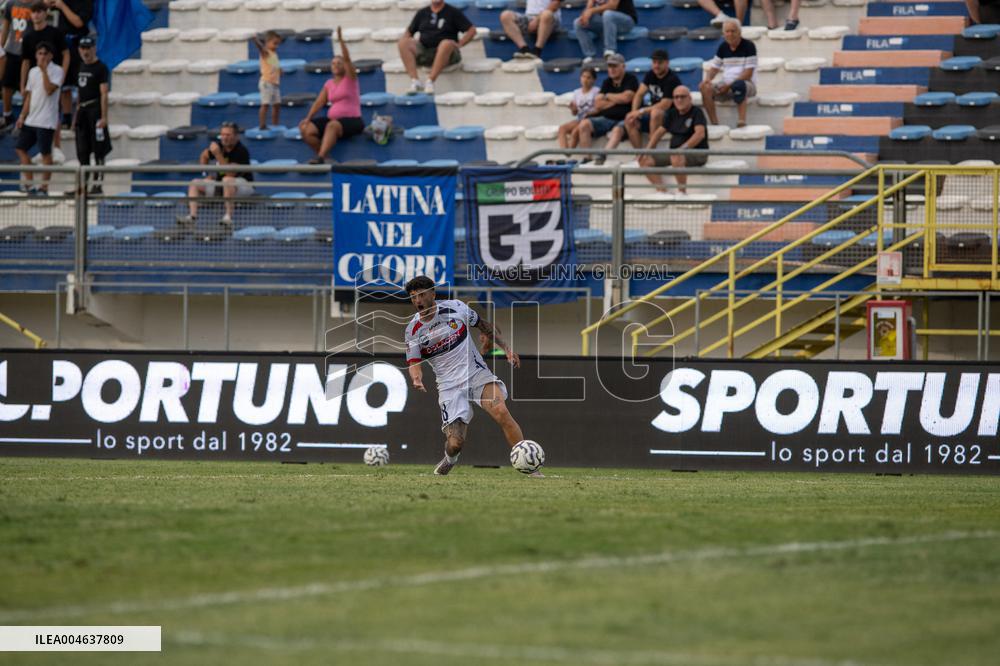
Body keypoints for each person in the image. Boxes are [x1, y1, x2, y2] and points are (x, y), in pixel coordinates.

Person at [403, 275, 533, 477]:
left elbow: (484, 326)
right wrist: (416, 378)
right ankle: (450, 459)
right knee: (455, 443)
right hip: (449, 387)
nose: (417, 301)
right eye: (413, 297)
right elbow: (414, 362)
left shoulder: (456, 308)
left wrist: (506, 348)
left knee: (501, 411)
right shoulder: (413, 330)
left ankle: (530, 466)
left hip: (476, 374)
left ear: (433, 294)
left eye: (421, 295)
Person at [299, 26, 361, 165]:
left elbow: (347, 59)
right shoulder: (329, 83)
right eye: (333, 63)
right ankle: (325, 157)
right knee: (305, 128)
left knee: (332, 126)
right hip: (333, 120)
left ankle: (320, 157)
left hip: (352, 120)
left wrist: (340, 40)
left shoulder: (350, 79)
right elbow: (319, 103)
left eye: (339, 63)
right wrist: (308, 118)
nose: (336, 65)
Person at [602, 48, 681, 154]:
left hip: (670, 116)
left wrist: (640, 111)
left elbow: (665, 104)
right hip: (653, 113)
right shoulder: (650, 75)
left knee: (656, 113)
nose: (656, 66)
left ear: (667, 63)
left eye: (660, 63)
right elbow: (639, 94)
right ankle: (639, 154)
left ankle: (651, 153)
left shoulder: (672, 79)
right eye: (654, 62)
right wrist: (634, 112)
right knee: (630, 121)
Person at [176, 121, 253, 227]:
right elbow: (204, 156)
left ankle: (228, 217)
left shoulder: (241, 151)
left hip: (242, 187)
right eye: (223, 135)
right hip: (221, 187)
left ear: (236, 136)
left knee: (227, 180)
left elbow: (230, 173)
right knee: (194, 183)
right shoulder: (220, 146)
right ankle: (192, 217)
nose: (224, 138)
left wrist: (217, 154)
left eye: (228, 135)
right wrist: (206, 173)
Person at [15, 41, 63, 195]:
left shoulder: (57, 71)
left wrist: (44, 71)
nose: (42, 56)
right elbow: (30, 96)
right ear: (36, 55)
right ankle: (29, 185)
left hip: (46, 121)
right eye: (39, 53)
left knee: (45, 154)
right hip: (32, 119)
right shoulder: (32, 72)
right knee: (20, 148)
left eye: (45, 53)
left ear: (51, 56)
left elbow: (49, 90)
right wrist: (22, 115)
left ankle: (44, 187)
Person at [640, 85, 708, 193]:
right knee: (644, 160)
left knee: (676, 156)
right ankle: (661, 190)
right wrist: (647, 150)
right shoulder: (672, 113)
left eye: (682, 97)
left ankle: (682, 192)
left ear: (689, 98)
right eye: (676, 97)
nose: (679, 100)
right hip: (675, 153)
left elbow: (700, 134)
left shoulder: (696, 112)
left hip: (696, 153)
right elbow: (659, 132)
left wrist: (682, 149)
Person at [398, 0, 475, 95]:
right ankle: (415, 81)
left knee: (445, 43)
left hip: (448, 53)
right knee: (403, 43)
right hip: (426, 50)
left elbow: (471, 30)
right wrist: (409, 43)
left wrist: (460, 44)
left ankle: (430, 81)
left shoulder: (453, 12)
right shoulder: (422, 13)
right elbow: (409, 32)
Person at [575, 53, 638, 161]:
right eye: (609, 66)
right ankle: (587, 158)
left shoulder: (630, 79)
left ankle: (602, 155)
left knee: (617, 129)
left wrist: (607, 96)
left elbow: (627, 98)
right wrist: (617, 100)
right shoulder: (607, 82)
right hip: (607, 118)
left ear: (623, 66)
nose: (611, 69)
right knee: (584, 124)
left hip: (624, 118)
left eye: (615, 66)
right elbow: (598, 103)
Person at [699, 19, 757, 128]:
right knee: (705, 88)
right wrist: (707, 80)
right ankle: (714, 123)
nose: (730, 34)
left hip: (747, 84)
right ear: (723, 33)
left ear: (739, 32)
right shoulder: (723, 47)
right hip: (726, 84)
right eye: (727, 31)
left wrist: (728, 86)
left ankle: (741, 121)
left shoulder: (749, 46)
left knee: (739, 84)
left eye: (733, 31)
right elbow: (714, 68)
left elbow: (748, 74)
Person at [44, 0, 92, 129]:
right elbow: (44, 5)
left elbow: (78, 22)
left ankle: (79, 118)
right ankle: (66, 117)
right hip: (60, 44)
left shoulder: (86, 3)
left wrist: (62, 6)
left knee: (81, 83)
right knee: (64, 84)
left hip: (78, 45)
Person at [73, 35, 110, 195]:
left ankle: (97, 184)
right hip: (83, 111)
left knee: (99, 150)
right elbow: (79, 94)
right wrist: (76, 115)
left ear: (94, 48)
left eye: (88, 48)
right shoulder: (80, 66)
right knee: (82, 151)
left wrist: (104, 117)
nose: (85, 52)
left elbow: (104, 93)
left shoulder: (100, 67)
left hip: (95, 110)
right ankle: (83, 186)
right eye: (83, 48)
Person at [1, 0, 33, 131]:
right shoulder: (10, 4)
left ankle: (23, 119)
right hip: (12, 49)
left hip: (28, 51)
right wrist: (1, 47)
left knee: (26, 87)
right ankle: (7, 116)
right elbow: (6, 27)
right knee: (6, 84)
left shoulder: (36, 4)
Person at [573, 0, 637, 63]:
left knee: (608, 14)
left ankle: (610, 51)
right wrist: (585, 15)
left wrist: (591, 11)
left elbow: (612, 6)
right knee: (578, 23)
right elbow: (589, 6)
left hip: (626, 21)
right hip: (606, 20)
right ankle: (590, 55)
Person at [557, 66, 598, 150]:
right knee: (562, 128)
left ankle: (569, 153)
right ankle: (564, 151)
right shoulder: (576, 92)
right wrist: (573, 109)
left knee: (575, 131)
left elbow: (598, 109)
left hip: (589, 119)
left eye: (588, 77)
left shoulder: (596, 91)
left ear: (593, 80)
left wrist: (588, 113)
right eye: (583, 77)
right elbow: (575, 113)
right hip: (580, 118)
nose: (585, 80)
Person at [254, 30, 282, 130]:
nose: (276, 46)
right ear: (267, 42)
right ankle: (262, 124)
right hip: (266, 82)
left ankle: (275, 124)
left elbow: (275, 65)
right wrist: (256, 41)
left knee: (277, 104)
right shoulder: (266, 52)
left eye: (278, 44)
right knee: (265, 104)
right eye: (275, 43)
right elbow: (260, 48)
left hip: (274, 83)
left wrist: (280, 71)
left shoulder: (274, 54)